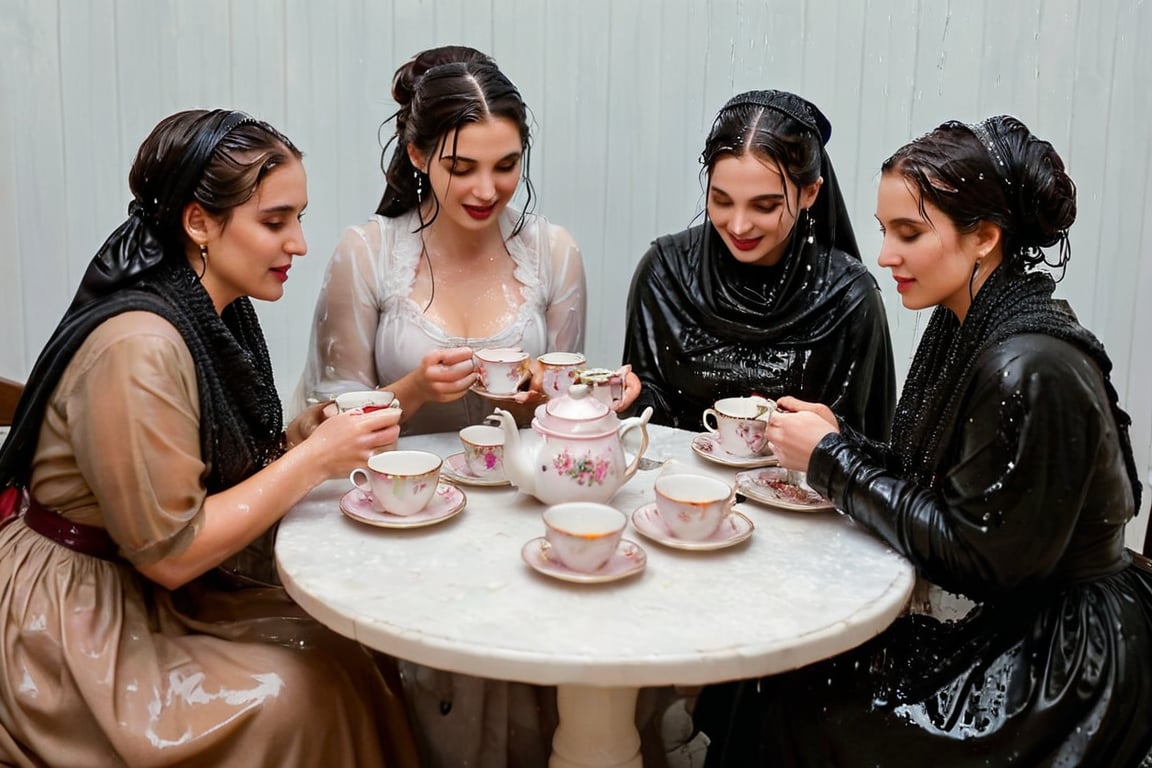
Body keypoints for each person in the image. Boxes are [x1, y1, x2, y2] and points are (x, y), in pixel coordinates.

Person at [695, 115, 1152, 766]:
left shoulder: (1026, 367)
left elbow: (975, 556)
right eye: (885, 232)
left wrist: (833, 462)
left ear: (985, 237)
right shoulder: (970, 319)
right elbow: (936, 478)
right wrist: (839, 439)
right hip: (1028, 621)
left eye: (909, 233)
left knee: (795, 694)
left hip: (1068, 664)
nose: (885, 256)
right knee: (768, 667)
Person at [0, 109, 417, 767]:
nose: (300, 243)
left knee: (354, 643)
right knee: (299, 694)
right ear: (199, 222)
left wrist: (299, 438)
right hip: (75, 612)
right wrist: (311, 460)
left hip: (144, 582)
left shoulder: (214, 308)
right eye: (276, 221)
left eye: (299, 218)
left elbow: (204, 469)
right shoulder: (139, 347)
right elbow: (172, 551)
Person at [295, 45, 635, 438]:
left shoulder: (553, 253)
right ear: (418, 156)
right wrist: (414, 390)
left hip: (521, 490)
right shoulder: (368, 254)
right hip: (401, 492)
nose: (487, 190)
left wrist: (585, 393)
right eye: (461, 168)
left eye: (506, 166)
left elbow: (561, 412)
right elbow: (324, 422)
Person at [622, 89, 895, 439]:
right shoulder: (664, 273)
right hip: (680, 488)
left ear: (811, 192)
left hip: (796, 493)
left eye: (764, 206)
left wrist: (834, 439)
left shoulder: (849, 299)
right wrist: (627, 398)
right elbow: (646, 414)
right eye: (721, 200)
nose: (738, 226)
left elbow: (871, 448)